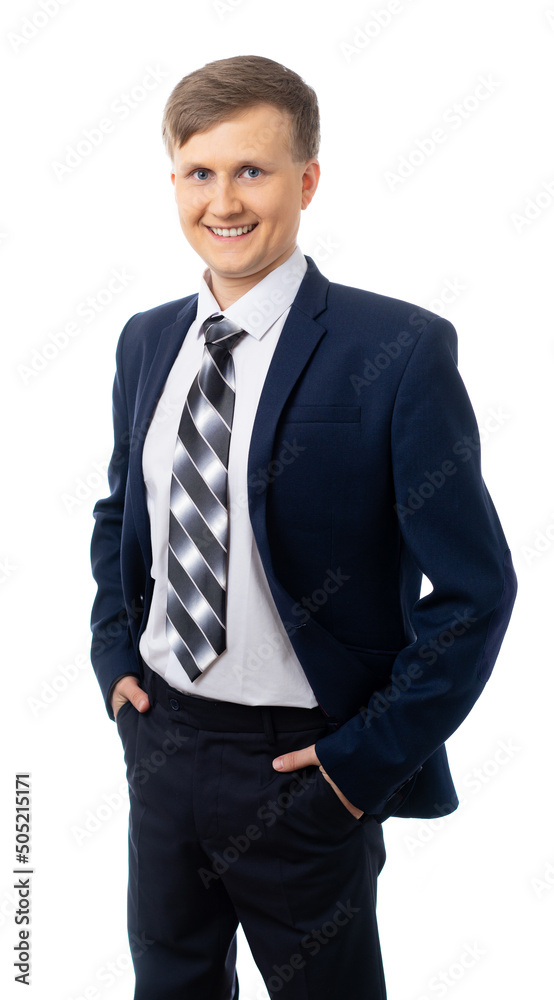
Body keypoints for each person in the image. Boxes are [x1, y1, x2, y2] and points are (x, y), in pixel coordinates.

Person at [89, 54, 517, 1000]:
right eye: (200, 172)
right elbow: (125, 513)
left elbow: (476, 593)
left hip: (303, 767)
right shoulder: (145, 340)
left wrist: (355, 768)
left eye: (253, 169)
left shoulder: (397, 351)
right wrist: (115, 664)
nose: (224, 200)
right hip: (162, 741)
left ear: (307, 180)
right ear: (174, 182)